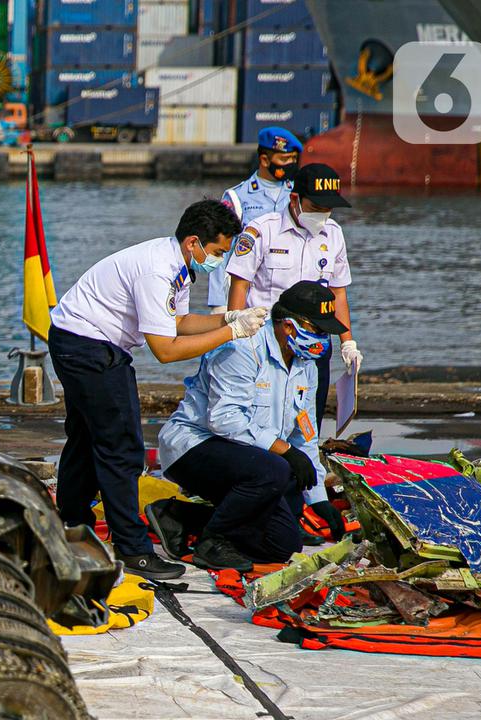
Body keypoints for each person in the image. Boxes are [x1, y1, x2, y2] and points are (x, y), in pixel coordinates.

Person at [48, 200, 269, 580]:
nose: (218, 260)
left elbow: (179, 321)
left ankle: (70, 522)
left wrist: (227, 317)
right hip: (88, 345)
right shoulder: (157, 270)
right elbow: (165, 351)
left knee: (88, 437)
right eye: (217, 252)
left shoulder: (179, 266)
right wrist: (230, 333)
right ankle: (133, 549)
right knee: (122, 449)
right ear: (193, 243)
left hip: (83, 340)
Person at [151, 281, 349, 572]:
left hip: (252, 460)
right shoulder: (242, 348)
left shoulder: (306, 362)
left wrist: (318, 499)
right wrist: (286, 452)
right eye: (317, 330)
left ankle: (180, 517)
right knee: (277, 468)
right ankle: (211, 542)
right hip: (193, 447)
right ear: (288, 326)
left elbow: (304, 436)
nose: (322, 339)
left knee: (283, 544)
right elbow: (224, 419)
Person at [225, 163, 362, 431]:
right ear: (295, 199)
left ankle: (306, 464)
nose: (322, 214)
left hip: (316, 338)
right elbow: (240, 284)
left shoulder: (333, 234)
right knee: (263, 412)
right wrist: (234, 333)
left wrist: (348, 342)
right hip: (268, 339)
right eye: (315, 207)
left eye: (327, 209)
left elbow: (338, 292)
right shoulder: (262, 230)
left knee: (308, 417)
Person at [208, 127, 303, 314]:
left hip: (286, 291)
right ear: (265, 160)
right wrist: (218, 303)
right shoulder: (237, 197)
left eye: (293, 159)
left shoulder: (298, 195)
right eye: (284, 159)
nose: (290, 164)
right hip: (246, 293)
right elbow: (221, 250)